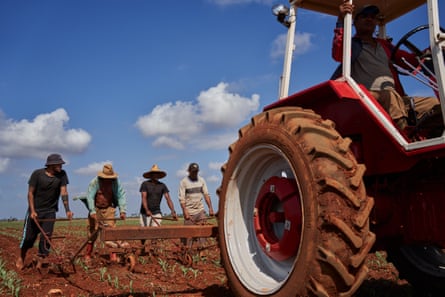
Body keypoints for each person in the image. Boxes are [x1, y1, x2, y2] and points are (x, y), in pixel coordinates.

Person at [332, 2, 443, 137]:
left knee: (436, 104)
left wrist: (433, 50)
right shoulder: (352, 45)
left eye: (372, 17)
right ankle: (405, 139)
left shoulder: (384, 45)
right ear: (354, 22)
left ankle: (432, 141)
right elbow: (338, 53)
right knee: (390, 96)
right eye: (364, 16)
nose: (369, 19)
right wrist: (340, 22)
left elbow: (410, 62)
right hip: (364, 97)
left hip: (394, 98)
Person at [16, 153, 73, 270]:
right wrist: (32, 211)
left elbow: (64, 192)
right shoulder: (37, 174)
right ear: (51, 165)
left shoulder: (62, 175)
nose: (61, 166)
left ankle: (41, 259)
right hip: (35, 210)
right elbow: (30, 193)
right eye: (58, 164)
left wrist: (68, 210)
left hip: (50, 211)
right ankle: (21, 257)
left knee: (46, 237)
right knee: (28, 238)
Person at [84, 163, 128, 261]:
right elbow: (90, 197)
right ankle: (88, 254)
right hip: (96, 208)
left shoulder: (115, 182)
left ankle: (113, 256)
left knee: (111, 232)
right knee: (92, 232)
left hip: (109, 208)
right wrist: (92, 211)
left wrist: (122, 210)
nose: (109, 179)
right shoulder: (95, 182)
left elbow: (121, 195)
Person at [139, 164, 177, 245]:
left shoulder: (162, 185)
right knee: (143, 233)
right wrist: (147, 210)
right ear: (151, 175)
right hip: (145, 212)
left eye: (157, 174)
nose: (155, 175)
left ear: (159, 175)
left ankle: (153, 249)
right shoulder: (145, 184)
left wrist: (173, 211)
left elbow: (168, 198)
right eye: (154, 173)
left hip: (157, 211)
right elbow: (143, 197)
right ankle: (142, 247)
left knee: (155, 232)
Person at [179, 163, 214, 247]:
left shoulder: (201, 180)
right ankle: (188, 252)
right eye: (193, 172)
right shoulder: (184, 182)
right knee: (188, 236)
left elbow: (206, 195)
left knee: (202, 234)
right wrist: (185, 211)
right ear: (189, 171)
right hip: (189, 212)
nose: (194, 173)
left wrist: (210, 208)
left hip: (200, 210)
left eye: (196, 172)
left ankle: (202, 253)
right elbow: (182, 199)